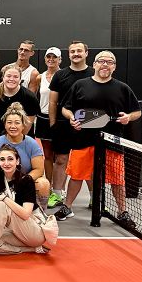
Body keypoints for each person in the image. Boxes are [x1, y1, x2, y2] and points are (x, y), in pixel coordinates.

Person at [57, 51, 141, 227]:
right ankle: (67, 207)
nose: (105, 64)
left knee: (117, 179)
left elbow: (136, 112)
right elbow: (66, 108)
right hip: (83, 139)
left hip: (112, 141)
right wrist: (71, 118)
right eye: (101, 61)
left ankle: (122, 211)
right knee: (76, 176)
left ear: (114, 67)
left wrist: (128, 117)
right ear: (94, 64)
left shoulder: (123, 88)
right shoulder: (80, 85)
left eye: (109, 62)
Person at [0, 144, 54, 263]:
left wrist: (4, 198)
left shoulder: (26, 180)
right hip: (15, 230)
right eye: (2, 159)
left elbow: (26, 214)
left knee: (1, 206)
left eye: (10, 159)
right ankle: (29, 248)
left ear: (17, 161)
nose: (6, 163)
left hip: (34, 230)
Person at [47, 40, 94, 208]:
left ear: (86, 53)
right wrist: (53, 124)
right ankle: (57, 195)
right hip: (63, 124)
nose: (76, 54)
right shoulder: (60, 75)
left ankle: (95, 198)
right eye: (72, 51)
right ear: (69, 54)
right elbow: (53, 102)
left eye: (79, 51)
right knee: (61, 159)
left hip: (88, 125)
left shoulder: (94, 74)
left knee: (90, 162)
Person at [0, 103, 51, 209]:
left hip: (26, 181)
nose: (13, 126)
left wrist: (23, 181)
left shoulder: (32, 143)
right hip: (4, 181)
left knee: (43, 184)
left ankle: (41, 213)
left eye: (17, 123)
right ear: (5, 124)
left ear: (23, 125)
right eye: (9, 123)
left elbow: (39, 169)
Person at [32, 47, 61, 195]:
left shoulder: (64, 76)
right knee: (48, 155)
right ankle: (48, 188)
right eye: (48, 57)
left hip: (60, 120)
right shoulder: (39, 77)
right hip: (43, 119)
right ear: (45, 59)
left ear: (59, 60)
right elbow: (34, 97)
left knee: (61, 158)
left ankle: (58, 190)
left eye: (54, 57)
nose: (51, 59)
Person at [0, 64, 39, 138]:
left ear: (20, 80)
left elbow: (28, 124)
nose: (11, 79)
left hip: (22, 139)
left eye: (15, 77)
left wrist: (15, 141)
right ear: (3, 78)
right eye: (8, 76)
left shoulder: (29, 97)